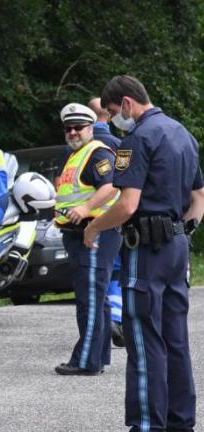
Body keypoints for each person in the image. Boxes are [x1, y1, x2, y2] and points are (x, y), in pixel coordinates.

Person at [85, 75, 204, 432]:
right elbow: (199, 197)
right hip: (176, 247)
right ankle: (180, 430)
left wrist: (94, 227)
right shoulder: (183, 134)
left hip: (146, 251)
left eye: (111, 113)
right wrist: (182, 232)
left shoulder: (137, 139)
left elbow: (127, 205)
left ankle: (148, 429)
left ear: (125, 105)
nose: (113, 121)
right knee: (175, 337)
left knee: (142, 335)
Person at [52, 103, 121, 376]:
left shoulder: (97, 152)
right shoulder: (77, 154)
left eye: (78, 127)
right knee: (98, 298)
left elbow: (111, 185)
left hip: (95, 232)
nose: (72, 132)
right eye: (68, 128)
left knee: (90, 299)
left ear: (91, 128)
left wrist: (85, 209)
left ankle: (85, 361)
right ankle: (99, 357)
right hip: (79, 234)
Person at [88, 97, 126, 349]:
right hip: (114, 216)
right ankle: (114, 318)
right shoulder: (120, 144)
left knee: (97, 276)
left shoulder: (77, 144)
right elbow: (124, 180)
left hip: (85, 221)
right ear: (110, 115)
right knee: (118, 270)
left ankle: (99, 326)